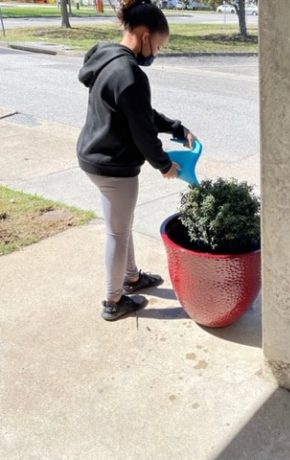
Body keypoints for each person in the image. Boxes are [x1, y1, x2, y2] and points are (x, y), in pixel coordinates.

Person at [77, 0, 196, 321]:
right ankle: (113, 301)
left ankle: (131, 277)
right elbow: (142, 131)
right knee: (117, 233)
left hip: (94, 155)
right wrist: (164, 165)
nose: (156, 52)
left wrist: (175, 127)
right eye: (158, 45)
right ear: (145, 36)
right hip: (113, 166)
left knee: (121, 224)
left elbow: (140, 113)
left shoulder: (106, 57)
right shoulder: (129, 73)